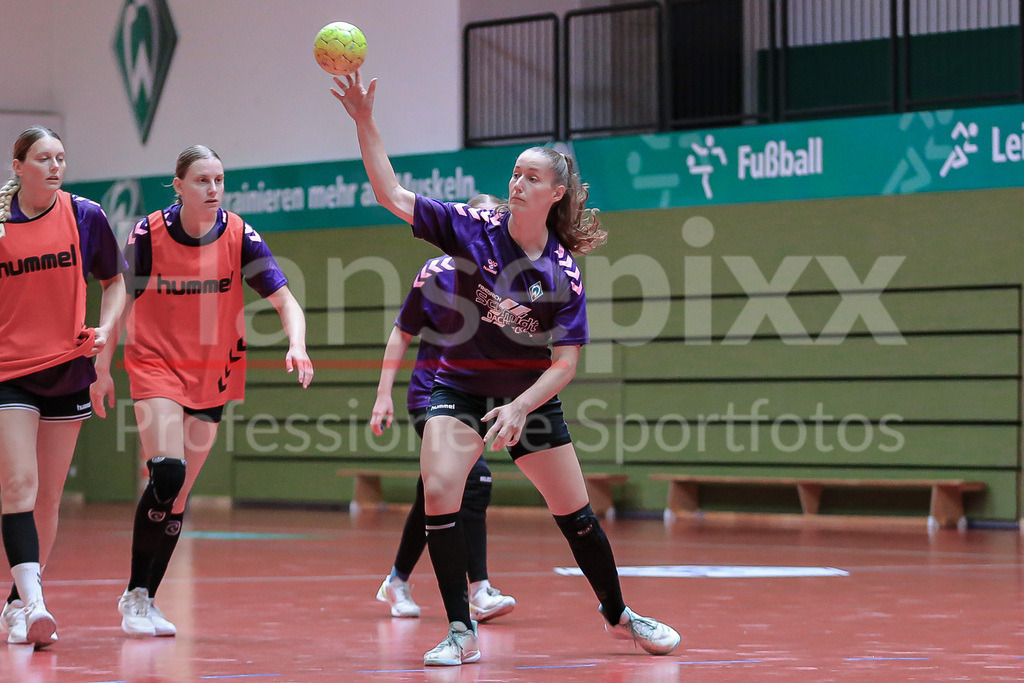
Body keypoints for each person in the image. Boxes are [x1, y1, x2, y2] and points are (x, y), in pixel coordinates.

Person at [332, 72, 680, 667]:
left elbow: (566, 363)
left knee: (576, 514)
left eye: (532, 177)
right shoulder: (474, 229)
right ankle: (461, 630)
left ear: (555, 194)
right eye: (515, 173)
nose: (518, 183)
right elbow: (392, 194)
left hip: (528, 399)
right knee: (441, 489)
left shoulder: (563, 274)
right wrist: (365, 121)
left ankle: (621, 615)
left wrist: (522, 406)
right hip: (460, 390)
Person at [91, 144, 314, 638]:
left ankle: (147, 597)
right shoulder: (149, 232)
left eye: (219, 180)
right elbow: (121, 298)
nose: (213, 189)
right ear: (179, 185)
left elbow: (285, 299)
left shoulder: (239, 235)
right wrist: (102, 367)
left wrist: (296, 344)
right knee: (167, 473)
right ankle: (133, 595)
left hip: (213, 371)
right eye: (201, 181)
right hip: (154, 365)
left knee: (180, 494)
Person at [0, 126, 128, 647]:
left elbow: (116, 281)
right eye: (43, 159)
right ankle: (34, 604)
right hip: (9, 371)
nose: (54, 167)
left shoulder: (85, 215)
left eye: (61, 158)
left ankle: (14, 606)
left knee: (48, 498)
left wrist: (105, 333)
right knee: (17, 486)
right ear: (18, 166)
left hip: (68, 368)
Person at [371, 193, 516, 623]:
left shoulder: (507, 278)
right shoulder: (434, 274)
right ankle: (480, 590)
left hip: (475, 398)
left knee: (435, 492)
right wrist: (383, 395)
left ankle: (396, 580)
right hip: (430, 397)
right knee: (476, 480)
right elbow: (401, 333)